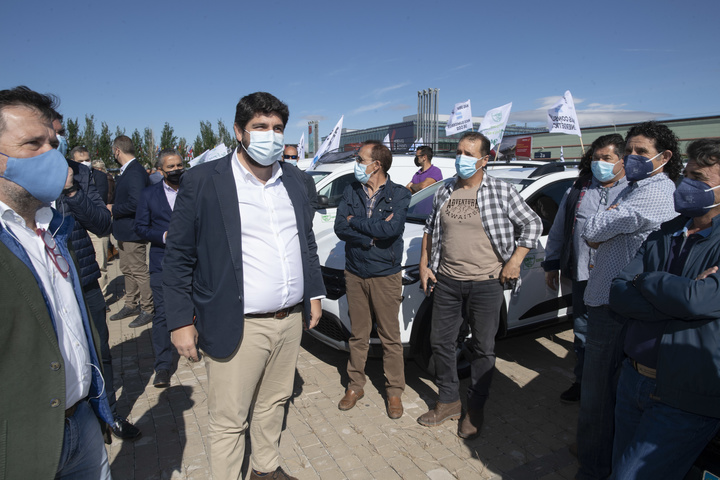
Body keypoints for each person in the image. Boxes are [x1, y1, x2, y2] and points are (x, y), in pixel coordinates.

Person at [163, 92, 325, 480]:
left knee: (274, 402)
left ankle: (265, 469)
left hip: (288, 320)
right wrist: (179, 320)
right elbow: (179, 255)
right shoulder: (204, 180)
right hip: (238, 322)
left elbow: (306, 242)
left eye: (277, 128)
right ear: (239, 131)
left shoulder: (297, 180)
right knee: (230, 419)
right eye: (260, 127)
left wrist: (314, 293)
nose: (270, 136)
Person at [0, 85, 113, 478]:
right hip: (23, 444)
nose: (50, 155)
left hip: (83, 422)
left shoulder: (53, 228)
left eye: (54, 142)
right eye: (32, 144)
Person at [417, 131, 542, 439]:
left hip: (487, 284)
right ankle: (448, 400)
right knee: (440, 343)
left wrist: (514, 261)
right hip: (447, 281)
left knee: (483, 348)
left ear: (485, 159)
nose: (461, 158)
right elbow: (430, 228)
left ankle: (475, 408)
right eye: (459, 151)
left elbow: (532, 223)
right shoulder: (444, 190)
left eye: (469, 154)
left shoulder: (501, 190)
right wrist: (424, 265)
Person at [608, 138, 720, 479]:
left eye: (698, 178)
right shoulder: (667, 231)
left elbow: (699, 300)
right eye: (686, 174)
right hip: (633, 379)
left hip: (685, 394)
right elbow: (618, 291)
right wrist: (678, 298)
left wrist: (648, 281)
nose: (687, 184)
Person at [576, 121, 682, 480]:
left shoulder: (657, 191)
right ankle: (598, 458)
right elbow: (591, 232)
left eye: (642, 152)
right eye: (630, 151)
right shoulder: (632, 189)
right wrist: (604, 223)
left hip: (617, 304)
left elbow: (591, 230)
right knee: (605, 394)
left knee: (597, 395)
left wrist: (603, 223)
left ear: (664, 157)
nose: (632, 158)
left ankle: (593, 468)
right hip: (608, 298)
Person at [542, 134, 627, 403]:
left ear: (622, 161)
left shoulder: (635, 193)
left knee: (618, 337)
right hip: (582, 277)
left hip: (619, 282)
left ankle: (614, 386)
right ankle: (584, 382)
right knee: (582, 333)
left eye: (607, 158)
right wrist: (552, 264)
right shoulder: (577, 191)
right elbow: (558, 232)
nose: (599, 163)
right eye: (595, 158)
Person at [334, 140, 411, 419]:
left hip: (385, 275)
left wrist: (357, 222)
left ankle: (394, 391)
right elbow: (340, 226)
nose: (356, 163)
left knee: (390, 337)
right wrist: (370, 236)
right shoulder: (351, 190)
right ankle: (355, 385)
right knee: (359, 335)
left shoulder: (399, 194)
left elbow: (391, 229)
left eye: (360, 159)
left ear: (376, 164)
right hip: (355, 272)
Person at [135, 148, 185, 389]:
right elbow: (141, 228)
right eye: (170, 167)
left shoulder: (192, 189)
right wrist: (163, 235)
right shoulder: (149, 195)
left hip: (194, 261)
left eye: (179, 165)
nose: (176, 170)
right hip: (162, 262)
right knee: (163, 314)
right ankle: (163, 366)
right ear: (160, 170)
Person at [108, 135, 154, 327]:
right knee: (127, 269)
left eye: (112, 151)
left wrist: (113, 209)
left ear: (117, 150)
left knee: (138, 271)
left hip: (133, 231)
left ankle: (148, 308)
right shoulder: (128, 170)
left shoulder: (134, 171)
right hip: (125, 231)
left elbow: (136, 203)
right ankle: (131, 304)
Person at [70, 146, 111, 294]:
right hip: (78, 228)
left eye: (87, 160)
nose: (85, 163)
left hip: (96, 224)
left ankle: (103, 295)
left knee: (100, 264)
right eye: (81, 161)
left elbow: (100, 199)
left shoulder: (99, 176)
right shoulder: (68, 175)